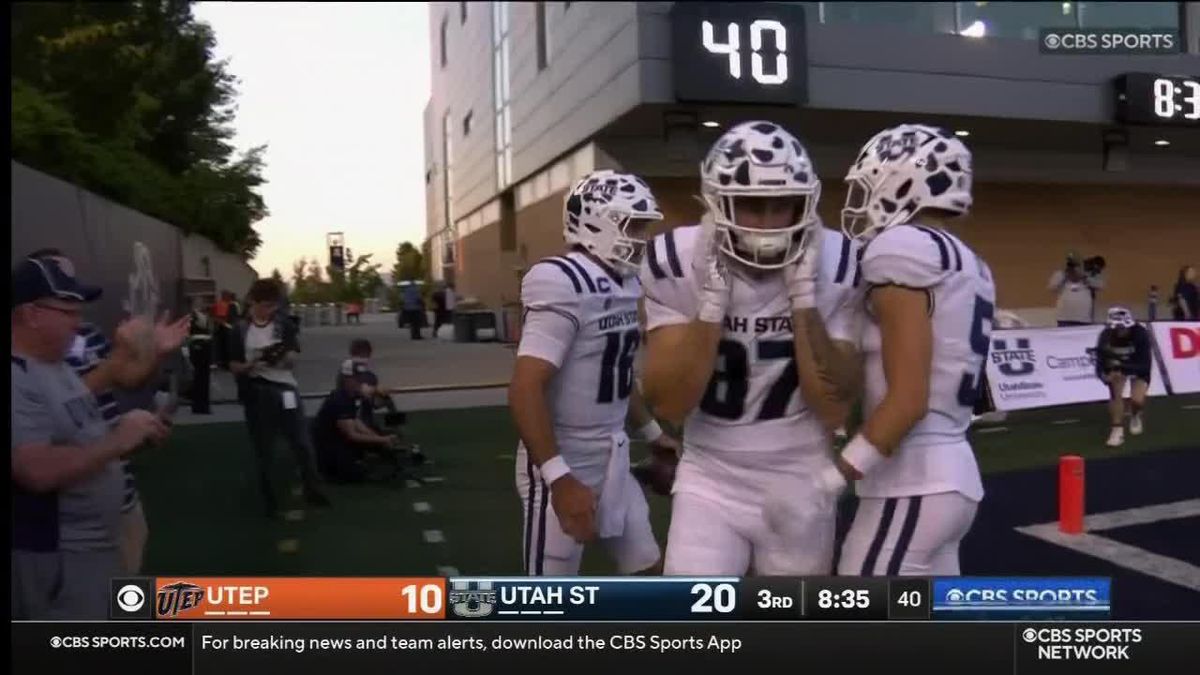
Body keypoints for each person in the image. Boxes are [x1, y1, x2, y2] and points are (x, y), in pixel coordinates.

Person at [640, 121, 862, 576]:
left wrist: (805, 306)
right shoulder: (681, 261)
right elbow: (669, 402)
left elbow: (835, 409)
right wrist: (711, 306)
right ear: (718, 204)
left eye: (783, 206)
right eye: (750, 206)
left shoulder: (837, 264)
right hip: (710, 477)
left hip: (800, 476)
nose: (767, 223)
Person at [798, 123, 991, 577]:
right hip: (952, 474)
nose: (862, 203)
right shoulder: (968, 261)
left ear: (902, 181)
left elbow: (908, 401)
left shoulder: (902, 247)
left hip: (914, 478)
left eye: (869, 185)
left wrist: (831, 480)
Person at [509, 169, 680, 576]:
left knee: (649, 573)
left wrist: (653, 434)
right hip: (565, 460)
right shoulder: (561, 280)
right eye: (632, 225)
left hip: (614, 455)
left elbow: (618, 372)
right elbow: (524, 388)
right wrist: (559, 479)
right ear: (594, 221)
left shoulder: (624, 283)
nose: (640, 237)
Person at [11, 253, 170, 618]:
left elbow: (81, 438)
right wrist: (117, 441)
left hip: (98, 549)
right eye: (67, 311)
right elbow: (34, 469)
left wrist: (133, 431)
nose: (77, 322)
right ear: (31, 314)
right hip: (59, 562)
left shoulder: (55, 365)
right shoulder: (18, 375)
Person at [228, 279, 330, 516]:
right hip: (256, 389)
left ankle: (313, 489)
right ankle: (269, 499)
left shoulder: (283, 324)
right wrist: (250, 364)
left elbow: (294, 352)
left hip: (285, 386)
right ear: (252, 302)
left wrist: (283, 358)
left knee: (302, 442)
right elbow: (232, 365)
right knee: (264, 448)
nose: (270, 311)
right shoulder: (239, 330)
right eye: (265, 305)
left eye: (273, 306)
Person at [312, 360, 399, 483]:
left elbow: (356, 421)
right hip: (328, 445)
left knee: (374, 439)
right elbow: (351, 434)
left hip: (339, 438)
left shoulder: (351, 395)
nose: (360, 381)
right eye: (356, 378)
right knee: (353, 474)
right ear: (347, 379)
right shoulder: (339, 400)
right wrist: (382, 440)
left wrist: (377, 438)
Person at [1095, 306, 1153, 448]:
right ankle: (1117, 428)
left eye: (1122, 328)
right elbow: (1100, 361)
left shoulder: (1141, 335)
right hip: (1117, 365)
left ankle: (1135, 414)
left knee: (1137, 400)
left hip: (1136, 365)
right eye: (1116, 328)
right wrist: (1104, 375)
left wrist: (1123, 368)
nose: (1119, 331)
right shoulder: (1106, 335)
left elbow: (1145, 365)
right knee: (1115, 393)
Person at [1048, 252, 1104, 326]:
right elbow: (1052, 287)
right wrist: (1065, 276)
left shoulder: (1089, 275)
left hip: (1084, 318)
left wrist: (1084, 277)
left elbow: (1100, 285)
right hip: (1064, 317)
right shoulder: (1061, 274)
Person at [187, 296, 213, 414]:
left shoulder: (205, 316)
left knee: (204, 377)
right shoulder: (193, 316)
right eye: (200, 302)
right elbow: (190, 333)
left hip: (206, 346)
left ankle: (204, 405)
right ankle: (198, 405)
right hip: (197, 346)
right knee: (198, 377)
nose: (203, 304)